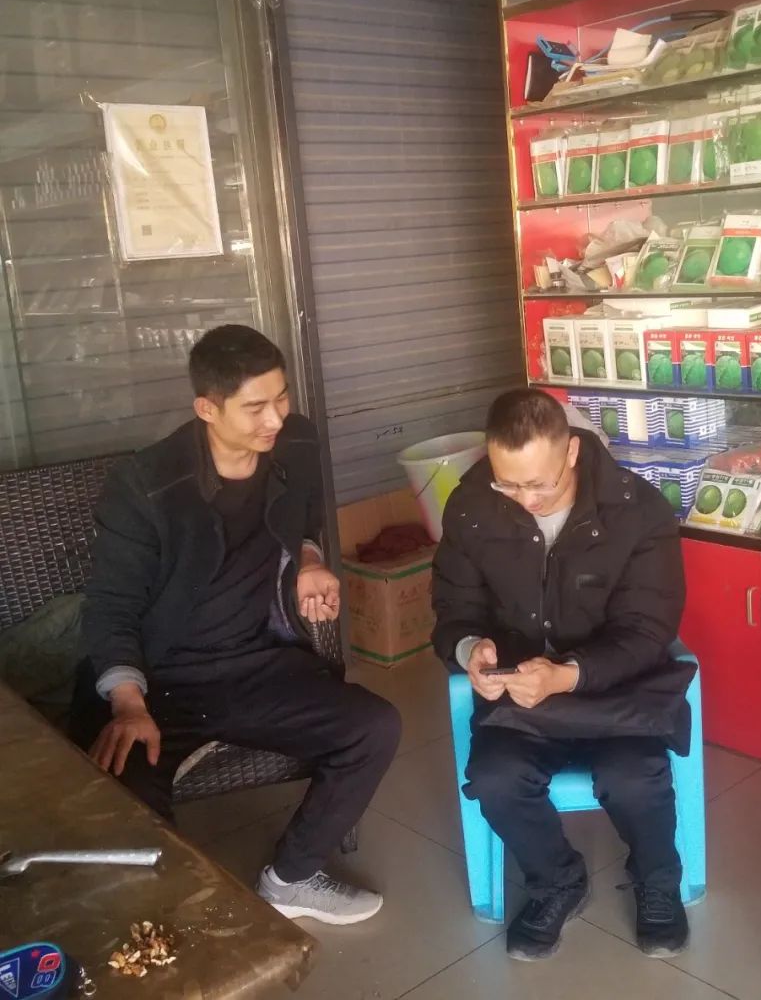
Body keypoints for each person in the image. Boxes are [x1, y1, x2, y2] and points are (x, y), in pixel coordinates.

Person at [68, 324, 401, 926]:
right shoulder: (148, 484)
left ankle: (291, 878)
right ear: (207, 408)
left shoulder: (295, 443)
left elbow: (303, 517)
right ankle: (164, 925)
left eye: (282, 397)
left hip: (257, 663)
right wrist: (127, 701)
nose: (274, 419)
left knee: (374, 726)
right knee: (124, 795)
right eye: (254, 407)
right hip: (160, 679)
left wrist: (308, 559)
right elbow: (111, 604)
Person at [432, 388, 688, 961]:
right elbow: (453, 610)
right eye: (508, 484)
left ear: (571, 451)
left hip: (614, 694)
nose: (525, 500)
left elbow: (647, 631)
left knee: (634, 778)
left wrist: (568, 675)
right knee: (495, 779)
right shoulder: (472, 506)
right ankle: (556, 881)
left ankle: (658, 878)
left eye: (539, 484)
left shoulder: (638, 510)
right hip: (522, 697)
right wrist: (471, 649)